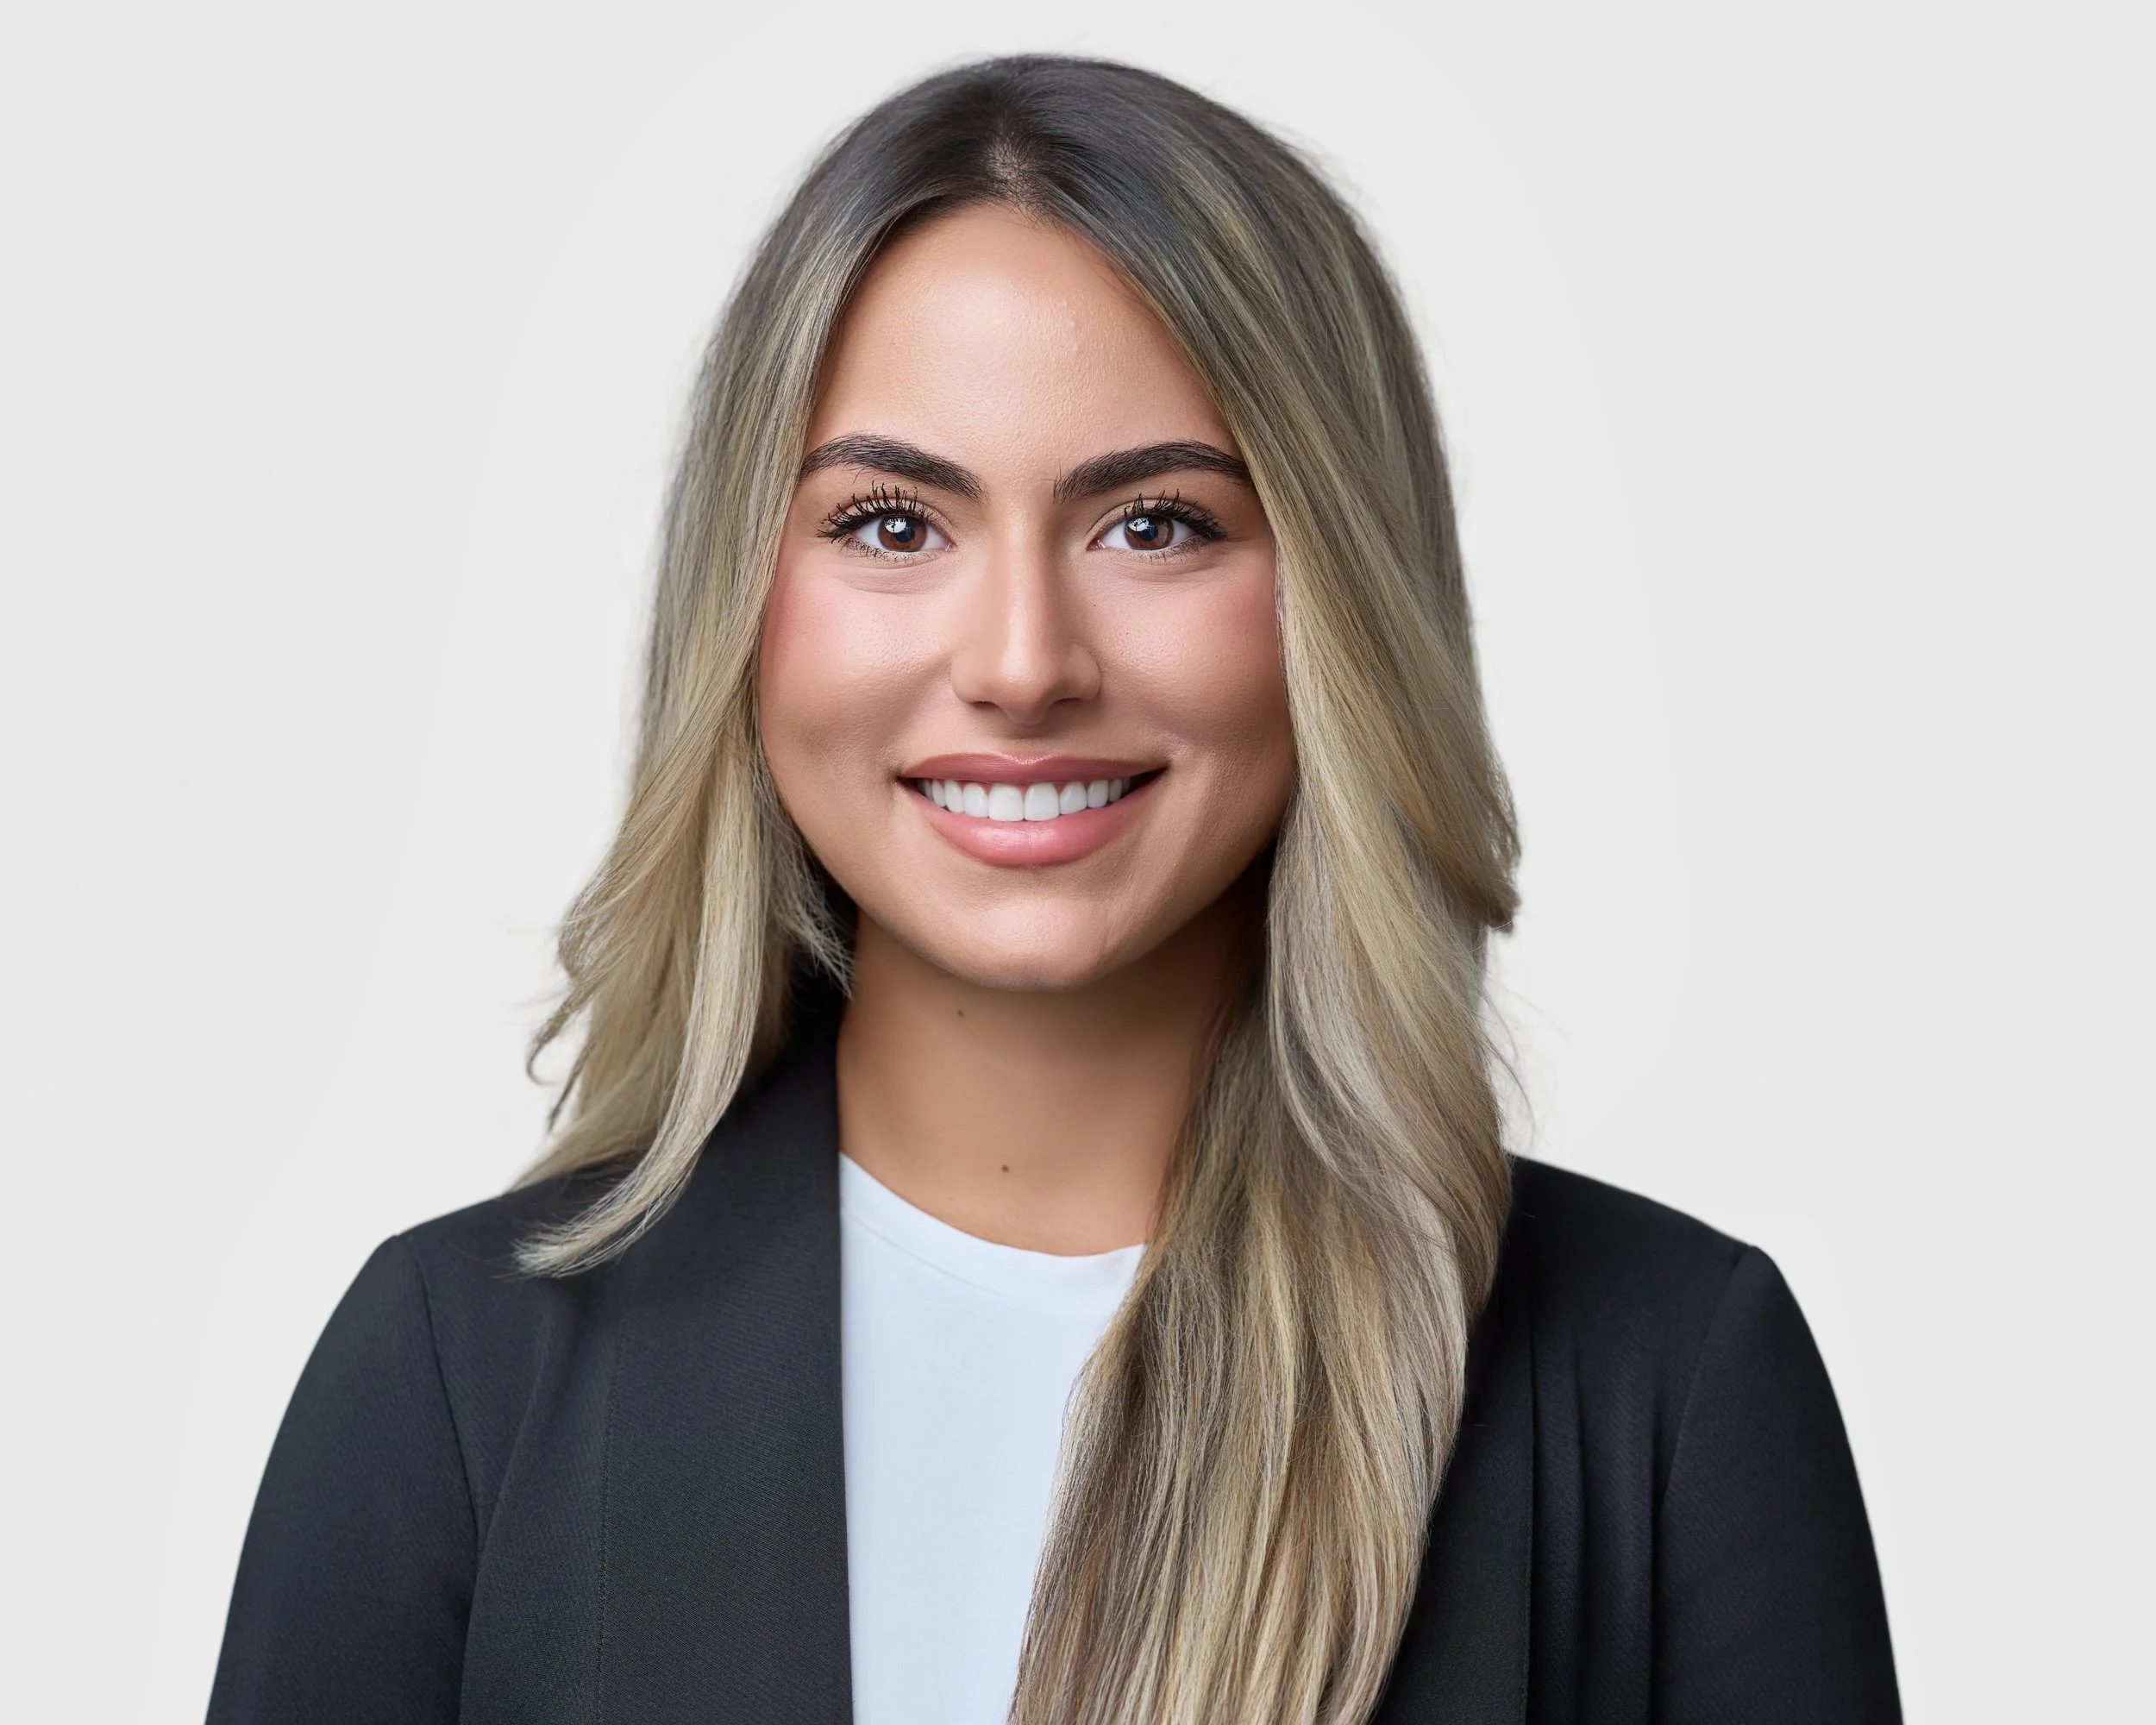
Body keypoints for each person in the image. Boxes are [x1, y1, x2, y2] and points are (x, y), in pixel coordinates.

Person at [207, 54, 1900, 1725]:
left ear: (1343, 603)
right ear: (742, 596)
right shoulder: (454, 1380)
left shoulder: (1664, 1385)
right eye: (888, 524)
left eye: (1155, 524)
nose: (1020, 665)